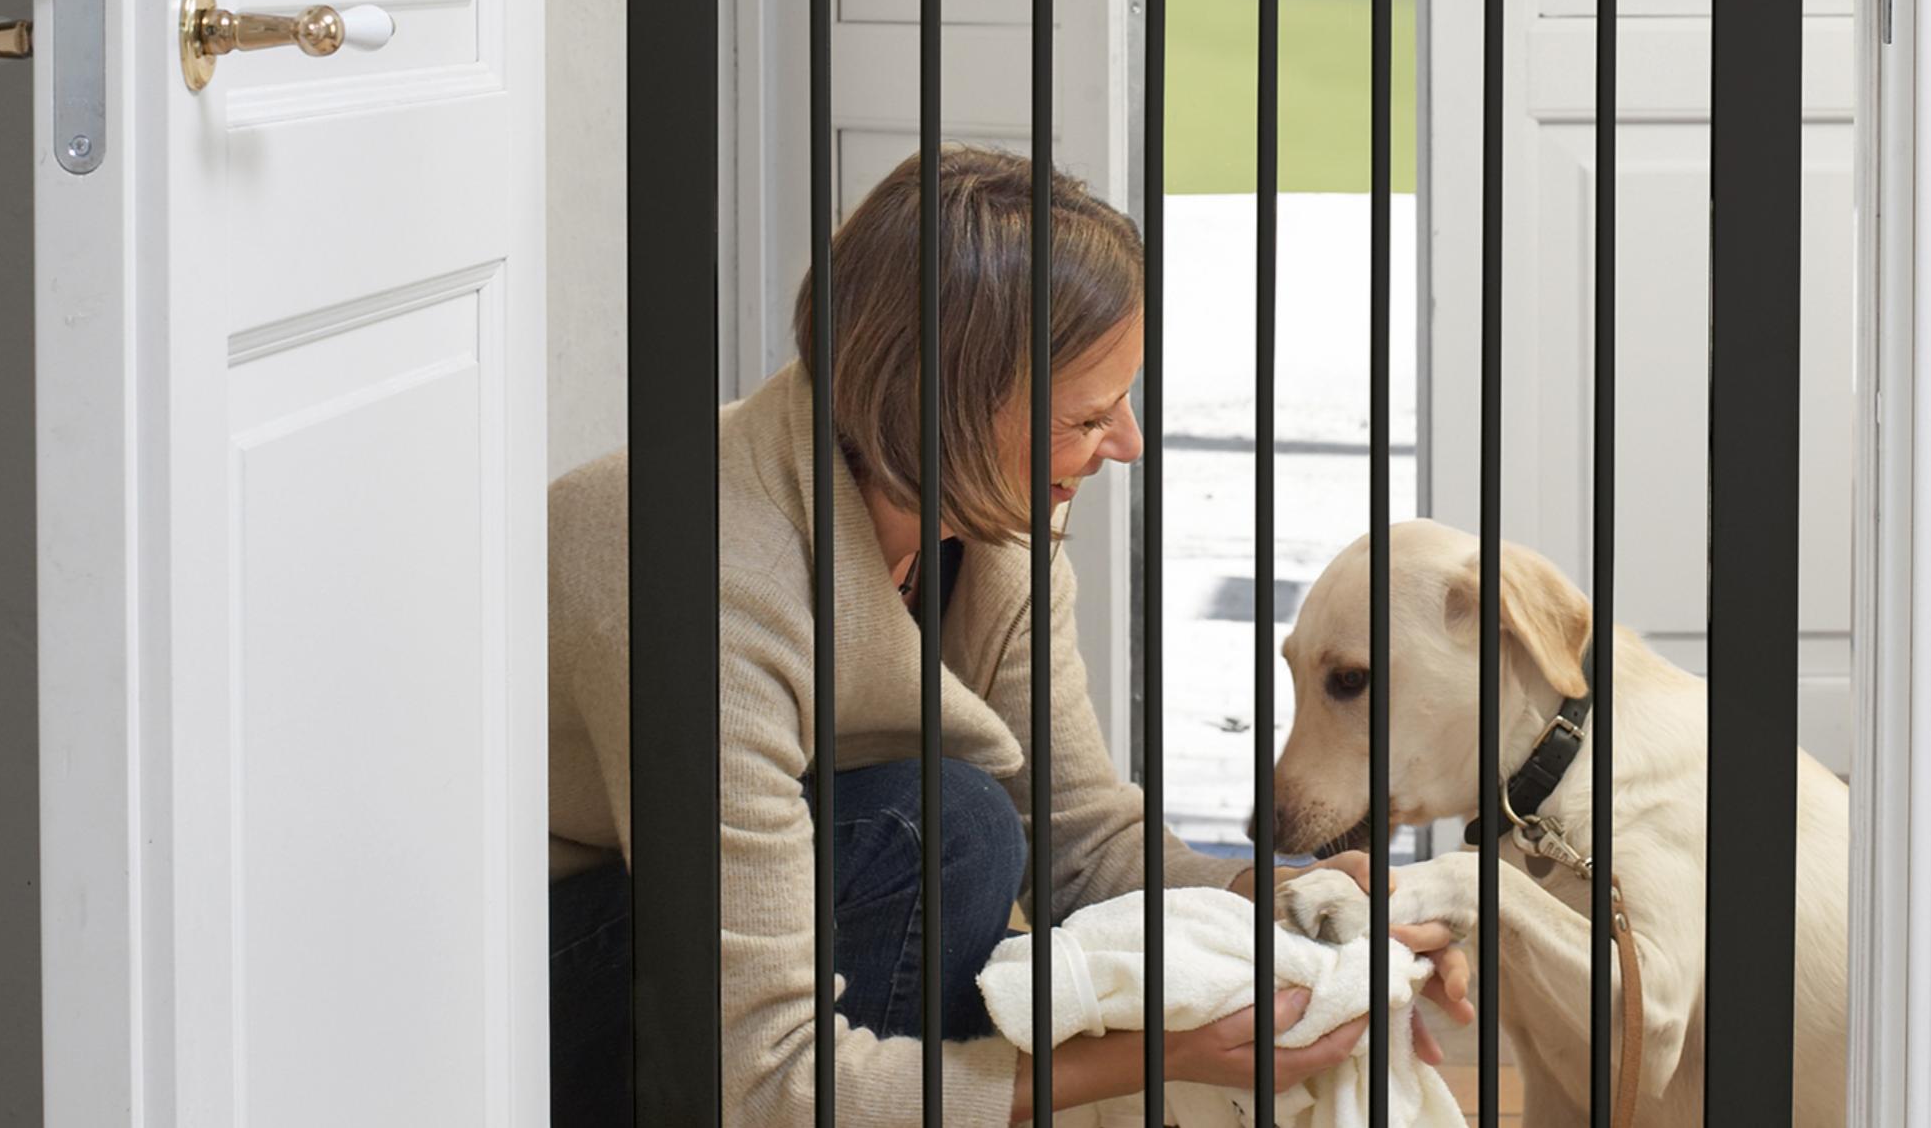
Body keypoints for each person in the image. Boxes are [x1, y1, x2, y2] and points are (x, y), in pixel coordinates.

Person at [547, 146, 1467, 1124]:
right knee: (947, 830)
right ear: (939, 409)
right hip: (551, 971)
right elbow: (766, 1076)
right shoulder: (705, 575)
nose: (1127, 444)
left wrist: (1297, 904)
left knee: (965, 843)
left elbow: (1079, 842)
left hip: (708, 932)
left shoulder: (989, 528)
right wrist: (1156, 1058)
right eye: (1088, 416)